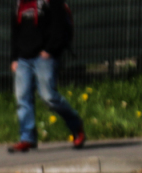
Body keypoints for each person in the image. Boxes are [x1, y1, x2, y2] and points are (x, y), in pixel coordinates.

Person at [9, 0, 85, 153]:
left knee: (49, 97)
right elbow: (15, 31)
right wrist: (14, 58)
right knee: (22, 98)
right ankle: (27, 138)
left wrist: (50, 50)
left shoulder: (51, 2)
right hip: (23, 59)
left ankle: (76, 126)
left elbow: (60, 26)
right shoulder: (19, 3)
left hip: (44, 57)